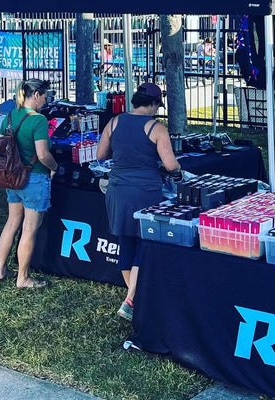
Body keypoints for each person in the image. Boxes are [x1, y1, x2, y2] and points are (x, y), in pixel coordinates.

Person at [97, 82, 181, 321]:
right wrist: (179, 172)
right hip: (144, 191)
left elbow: (101, 155)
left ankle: (132, 296)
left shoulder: (114, 122)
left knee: (126, 241)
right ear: (154, 103)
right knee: (144, 245)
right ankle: (132, 299)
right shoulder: (156, 127)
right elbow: (170, 164)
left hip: (117, 190)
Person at [0, 78, 59, 289]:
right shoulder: (38, 120)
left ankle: (1, 269)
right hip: (34, 179)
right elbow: (42, 154)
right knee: (29, 229)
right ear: (37, 95)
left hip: (12, 177)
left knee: (12, 223)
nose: (46, 100)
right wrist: (55, 167)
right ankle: (23, 277)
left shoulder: (12, 115)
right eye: (46, 96)